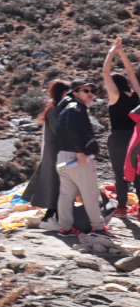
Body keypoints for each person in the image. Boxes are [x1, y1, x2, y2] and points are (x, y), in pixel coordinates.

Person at [46, 77, 106, 234]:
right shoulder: (76, 108)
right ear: (75, 92)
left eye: (92, 91)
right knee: (90, 193)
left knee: (66, 194)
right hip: (77, 158)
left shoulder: (65, 108)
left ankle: (65, 227)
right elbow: (71, 130)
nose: (90, 94)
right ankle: (98, 227)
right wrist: (80, 151)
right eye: (86, 91)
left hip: (63, 157)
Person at [106, 40, 140, 221]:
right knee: (139, 172)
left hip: (119, 137)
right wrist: (122, 53)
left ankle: (121, 207)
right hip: (138, 137)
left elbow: (105, 74)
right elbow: (131, 73)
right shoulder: (137, 94)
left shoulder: (114, 96)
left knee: (120, 173)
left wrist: (111, 53)